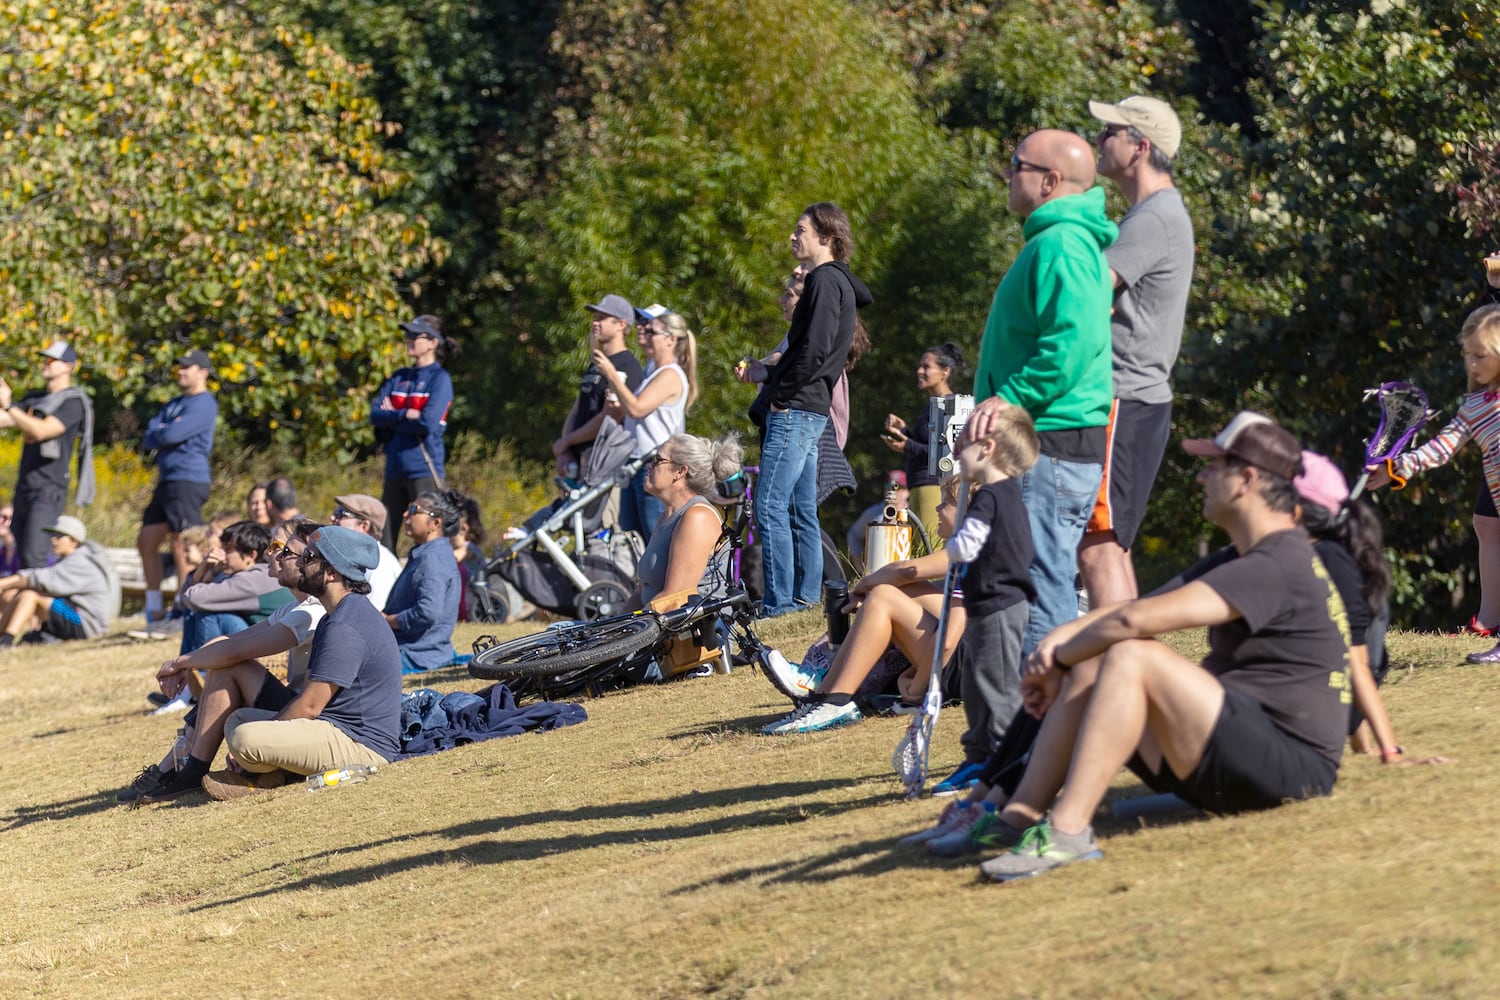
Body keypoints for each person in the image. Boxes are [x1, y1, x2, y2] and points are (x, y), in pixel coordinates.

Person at [971, 413, 1353, 882]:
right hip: (1245, 751)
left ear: (1247, 480)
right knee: (1100, 655)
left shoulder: (1278, 561)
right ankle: (1018, 817)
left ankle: (1068, 832)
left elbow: (1134, 621)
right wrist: (1058, 644)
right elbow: (1134, 606)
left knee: (1132, 653)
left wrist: (1054, 660)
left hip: (1292, 770)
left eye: (1215, 467)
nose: (1202, 476)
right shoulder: (1247, 556)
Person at [962, 130, 1115, 666]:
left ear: (1050, 181)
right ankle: (1041, 728)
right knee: (1038, 571)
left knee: (1040, 576)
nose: (1007, 174)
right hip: (1048, 440)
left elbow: (1071, 344)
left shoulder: (1062, 244)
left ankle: (1041, 727)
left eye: (1015, 164)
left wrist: (1006, 400)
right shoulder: (1057, 241)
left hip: (1049, 441)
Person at [1077, 96, 1196, 609]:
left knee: (1098, 545)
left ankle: (1118, 671)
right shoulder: (1155, 214)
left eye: (1110, 131)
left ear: (1140, 146)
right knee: (1108, 544)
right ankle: (1124, 667)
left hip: (1123, 398)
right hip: (1133, 399)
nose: (1099, 138)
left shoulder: (1153, 218)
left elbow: (1086, 297)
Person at [126, 518, 327, 803]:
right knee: (224, 655)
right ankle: (180, 766)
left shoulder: (310, 612)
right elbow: (230, 642)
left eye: (281, 548)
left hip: (307, 719)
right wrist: (186, 662)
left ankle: (186, 770)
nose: (271, 554)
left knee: (228, 656)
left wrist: (182, 664)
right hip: (295, 707)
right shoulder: (294, 607)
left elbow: (230, 644)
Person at [761, 475, 976, 735]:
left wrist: (916, 689)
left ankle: (836, 700)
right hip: (968, 666)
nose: (937, 509)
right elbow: (908, 578)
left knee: (884, 596)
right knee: (893, 590)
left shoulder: (971, 550)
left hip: (963, 671)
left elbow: (948, 636)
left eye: (946, 503)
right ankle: (820, 695)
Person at [203, 524, 401, 799]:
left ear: (331, 573)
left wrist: (263, 739)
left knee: (244, 739)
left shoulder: (346, 624)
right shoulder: (333, 617)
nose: (299, 564)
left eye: (309, 558)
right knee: (239, 720)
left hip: (363, 746)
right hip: (332, 727)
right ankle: (276, 770)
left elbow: (310, 706)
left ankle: (262, 775)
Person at [752, 203, 871, 617]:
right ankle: (804, 601)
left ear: (826, 236)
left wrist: (781, 394)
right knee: (801, 509)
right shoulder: (839, 283)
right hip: (810, 408)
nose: (792, 236)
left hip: (797, 409)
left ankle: (780, 604)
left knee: (768, 505)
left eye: (800, 229)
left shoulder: (822, 280)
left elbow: (815, 349)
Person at [1368, 304, 1500, 639]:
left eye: (1481, 355)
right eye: (1467, 354)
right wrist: (1396, 467)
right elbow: (1441, 447)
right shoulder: (1474, 407)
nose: (1471, 363)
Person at [595, 310, 698, 542]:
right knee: (634, 539)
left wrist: (611, 374)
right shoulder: (652, 372)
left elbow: (637, 408)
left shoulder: (671, 374)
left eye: (652, 331)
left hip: (656, 465)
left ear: (671, 339)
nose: (645, 334)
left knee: (655, 538)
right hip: (637, 463)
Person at [137, 350, 217, 625]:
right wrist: (164, 432)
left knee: (183, 544)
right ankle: (154, 608)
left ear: (203, 372)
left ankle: (184, 608)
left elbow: (168, 433)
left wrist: (164, 432)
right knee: (147, 540)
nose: (180, 371)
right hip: (167, 480)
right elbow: (149, 436)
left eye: (187, 367)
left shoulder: (204, 404)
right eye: (178, 366)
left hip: (187, 479)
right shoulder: (173, 404)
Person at [0, 341, 95, 569]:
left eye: (52, 360)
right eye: (45, 359)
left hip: (48, 490)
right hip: (25, 486)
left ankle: (44, 604)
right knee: (23, 558)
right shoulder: (36, 399)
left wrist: (10, 405)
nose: (46, 364)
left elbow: (41, 430)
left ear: (68, 366)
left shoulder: (73, 402)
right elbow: (5, 419)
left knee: (36, 558)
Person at [371, 314, 456, 550]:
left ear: (433, 342)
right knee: (384, 539)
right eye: (407, 335)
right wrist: (404, 415)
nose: (408, 340)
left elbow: (427, 423)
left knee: (425, 536)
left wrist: (394, 417)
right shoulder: (399, 376)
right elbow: (375, 414)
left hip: (423, 468)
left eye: (414, 335)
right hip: (394, 468)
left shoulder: (440, 379)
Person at [630, 432, 743, 610]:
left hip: (697, 634)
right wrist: (605, 628)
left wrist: (625, 634)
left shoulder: (697, 517)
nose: (649, 466)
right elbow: (642, 591)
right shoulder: (666, 517)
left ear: (680, 471)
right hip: (655, 627)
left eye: (657, 460)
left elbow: (674, 599)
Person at [552, 294, 645, 478]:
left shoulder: (628, 367)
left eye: (602, 319)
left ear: (621, 325)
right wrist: (566, 450)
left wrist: (567, 441)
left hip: (603, 462)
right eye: (595, 318)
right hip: (579, 462)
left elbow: (610, 417)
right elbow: (577, 408)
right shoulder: (596, 364)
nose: (596, 323)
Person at [883, 344, 964, 547]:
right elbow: (927, 445)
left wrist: (907, 445)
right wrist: (905, 432)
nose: (919, 371)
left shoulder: (950, 405)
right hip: (919, 484)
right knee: (919, 548)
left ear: (945, 372)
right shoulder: (932, 404)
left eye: (926, 367)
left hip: (934, 486)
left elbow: (947, 454)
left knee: (931, 548)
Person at [0, 515, 117, 646]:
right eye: (52, 535)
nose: (53, 540)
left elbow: (39, 578)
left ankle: (6, 641)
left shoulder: (81, 562)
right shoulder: (67, 560)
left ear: (74, 541)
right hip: (74, 615)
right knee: (21, 593)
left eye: (59, 536)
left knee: (30, 595)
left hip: (88, 625)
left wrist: (3, 583)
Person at [383, 489, 461, 673]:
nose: (405, 514)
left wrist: (389, 620)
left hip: (416, 654)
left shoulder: (431, 559)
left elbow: (428, 612)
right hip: (419, 651)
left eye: (413, 509)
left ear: (435, 523)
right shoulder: (429, 553)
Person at [331, 493, 401, 611]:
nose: (332, 518)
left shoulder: (380, 565)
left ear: (364, 526)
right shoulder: (360, 559)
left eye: (341, 514)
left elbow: (374, 618)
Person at [0, 503, 18, 577]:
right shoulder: (1, 552)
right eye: (0, 516)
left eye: (6, 518)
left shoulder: (27, 553)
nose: (1, 521)